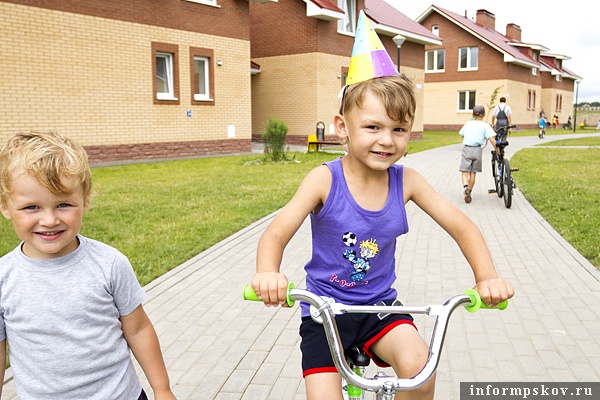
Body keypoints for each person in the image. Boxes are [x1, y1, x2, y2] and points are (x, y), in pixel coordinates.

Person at [250, 11, 514, 400]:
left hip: (380, 308)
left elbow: (462, 225)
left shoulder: (405, 180)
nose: (386, 140)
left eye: (399, 129)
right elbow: (276, 232)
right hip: (325, 314)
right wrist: (267, 272)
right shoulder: (325, 180)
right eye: (373, 127)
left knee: (421, 367)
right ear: (343, 127)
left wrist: (487, 276)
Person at [0, 131, 176, 400]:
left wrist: (162, 389)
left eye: (63, 204)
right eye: (32, 207)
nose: (49, 220)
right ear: (5, 206)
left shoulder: (109, 264)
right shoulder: (4, 277)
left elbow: (139, 329)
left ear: (85, 200)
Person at [459, 105, 497, 203]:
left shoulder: (468, 124)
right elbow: (492, 139)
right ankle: (470, 191)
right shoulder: (485, 126)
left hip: (467, 149)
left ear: (472, 114)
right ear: (484, 115)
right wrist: (497, 150)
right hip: (477, 150)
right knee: (473, 172)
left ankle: (466, 187)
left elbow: (462, 134)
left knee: (464, 171)